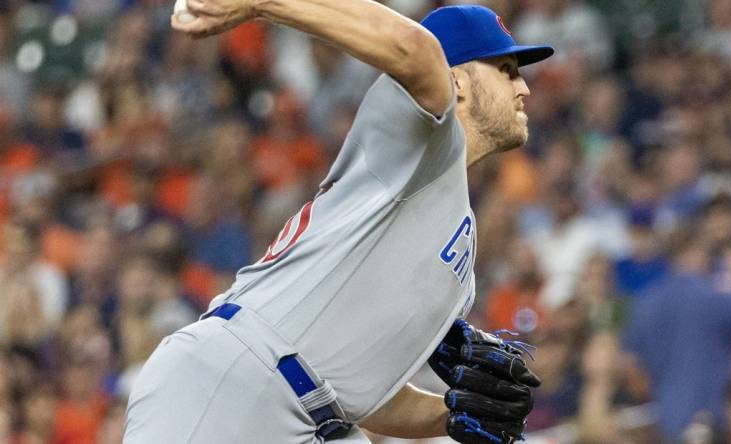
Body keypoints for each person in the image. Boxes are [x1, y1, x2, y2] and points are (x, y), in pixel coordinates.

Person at [124, 1, 553, 443]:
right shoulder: (420, 141)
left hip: (314, 416)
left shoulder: (452, 228)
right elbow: (416, 49)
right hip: (236, 378)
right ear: (457, 80)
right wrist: (263, 5)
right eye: (506, 69)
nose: (524, 87)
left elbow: (366, 397)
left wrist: (455, 411)